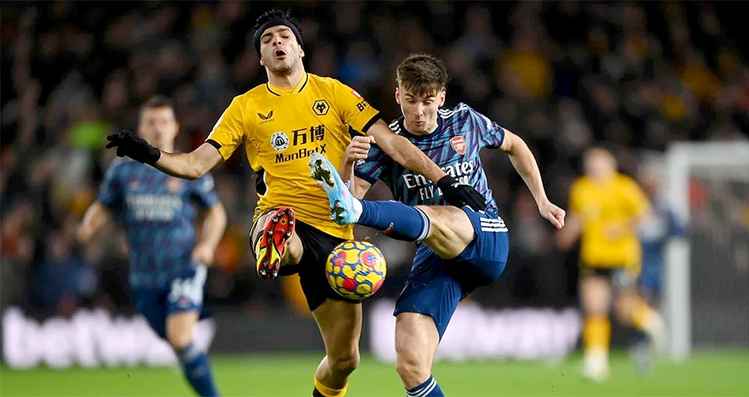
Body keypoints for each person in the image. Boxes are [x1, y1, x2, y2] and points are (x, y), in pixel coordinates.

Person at [103, 10, 485, 397]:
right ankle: (276, 246)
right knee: (285, 233)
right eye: (267, 41)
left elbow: (392, 142)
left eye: (284, 36)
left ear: (300, 47)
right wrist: (149, 153)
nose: (276, 42)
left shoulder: (333, 93)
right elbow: (196, 164)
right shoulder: (245, 107)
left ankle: (285, 258)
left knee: (344, 361)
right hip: (280, 214)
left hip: (336, 237)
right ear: (260, 59)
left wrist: (445, 181)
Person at [309, 54, 566, 397]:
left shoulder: (465, 121)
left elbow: (515, 145)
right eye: (411, 100)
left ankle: (362, 211)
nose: (418, 111)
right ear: (398, 95)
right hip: (436, 255)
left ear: (441, 97)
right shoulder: (386, 144)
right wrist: (347, 167)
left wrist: (542, 200)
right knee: (411, 363)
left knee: (433, 214)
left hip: (484, 235)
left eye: (427, 101)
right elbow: (346, 198)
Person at [78, 96, 227, 397]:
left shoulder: (186, 169)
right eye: (151, 122)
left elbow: (216, 212)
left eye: (164, 122)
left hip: (184, 268)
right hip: (144, 277)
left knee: (180, 337)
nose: (158, 128)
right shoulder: (123, 172)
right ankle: (198, 373)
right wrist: (88, 225)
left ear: (175, 127)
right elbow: (103, 206)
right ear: (140, 128)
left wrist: (207, 245)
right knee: (177, 344)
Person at [557, 147, 664, 381]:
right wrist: (568, 233)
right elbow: (579, 217)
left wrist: (622, 227)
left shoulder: (624, 187)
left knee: (624, 310)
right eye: (591, 164)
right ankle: (597, 362)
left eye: (599, 164)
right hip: (593, 258)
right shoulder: (581, 188)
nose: (595, 168)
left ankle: (649, 320)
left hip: (621, 258)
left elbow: (646, 217)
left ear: (611, 165)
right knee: (594, 307)